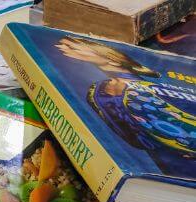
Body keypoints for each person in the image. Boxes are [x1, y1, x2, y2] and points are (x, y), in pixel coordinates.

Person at [55, 36, 195, 175]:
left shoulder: (157, 81)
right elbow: (134, 138)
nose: (62, 48)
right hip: (176, 162)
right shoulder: (99, 93)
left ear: (110, 58)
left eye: (72, 46)